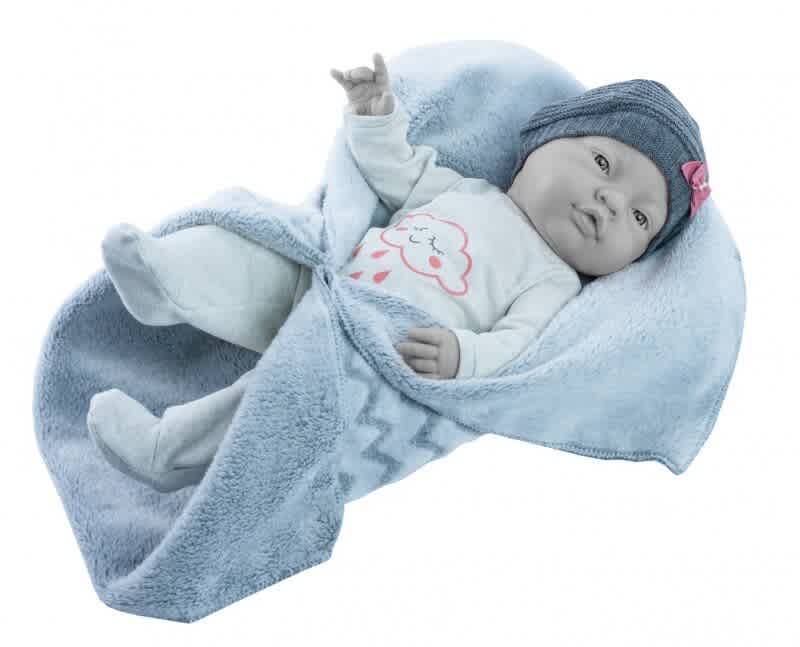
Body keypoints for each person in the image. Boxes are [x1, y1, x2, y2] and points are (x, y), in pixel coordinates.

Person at [87, 52, 711, 492]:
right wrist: (374, 115)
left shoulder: (552, 281)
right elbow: (397, 169)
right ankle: (166, 279)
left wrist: (461, 356)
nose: (610, 201)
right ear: (540, 145)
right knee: (258, 254)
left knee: (281, 396)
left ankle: (168, 450)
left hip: (376, 342)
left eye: (640, 216)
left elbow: (516, 347)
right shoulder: (466, 190)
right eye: (602, 162)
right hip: (335, 279)